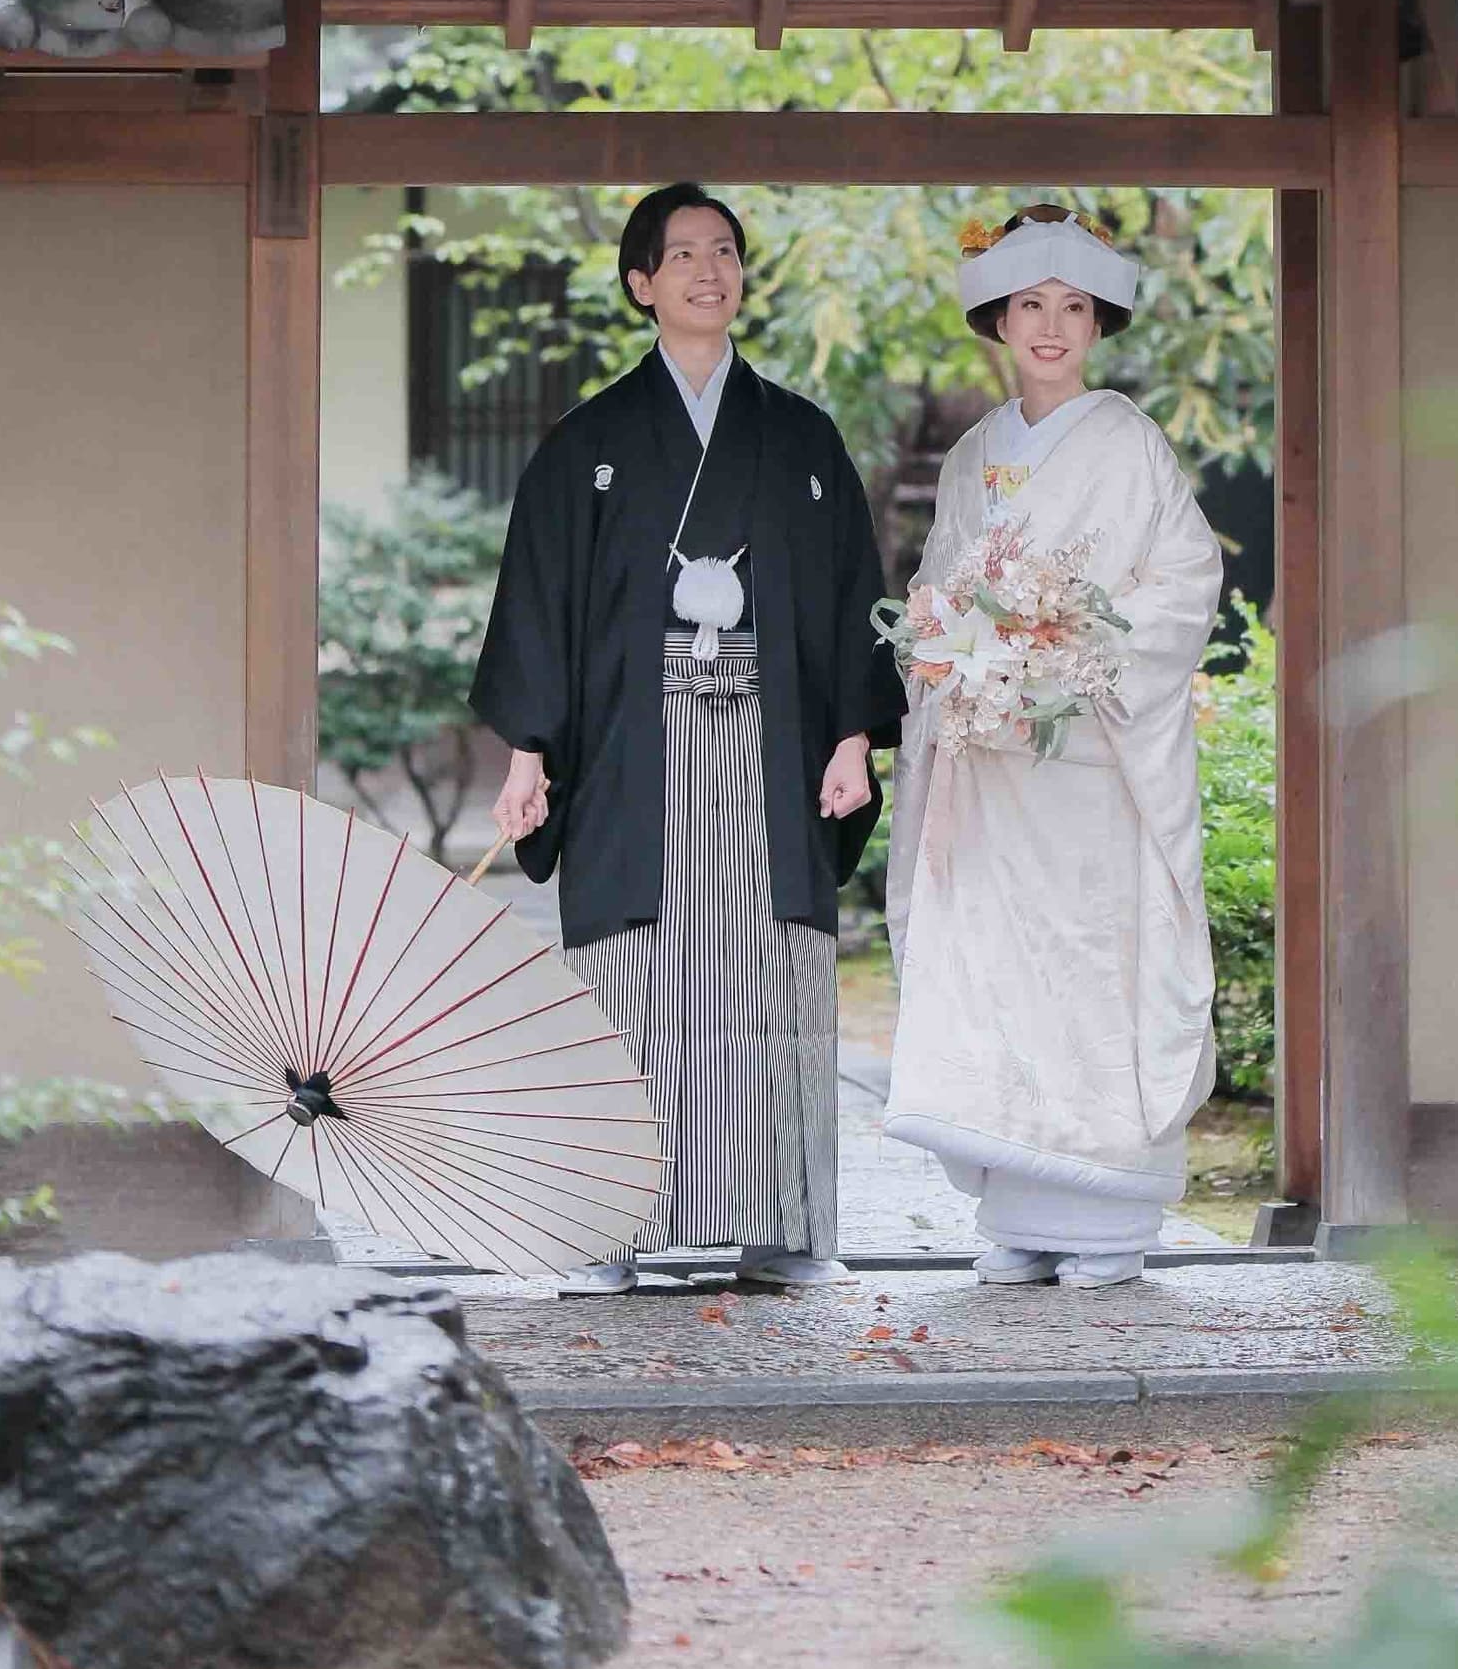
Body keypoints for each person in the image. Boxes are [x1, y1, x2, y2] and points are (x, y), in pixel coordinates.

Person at [471, 183, 899, 1291]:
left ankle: (783, 1232)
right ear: (639, 285)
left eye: (725, 252)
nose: (708, 271)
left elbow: (856, 592)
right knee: (629, 976)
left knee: (773, 976)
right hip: (630, 751)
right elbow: (540, 603)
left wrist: (852, 736)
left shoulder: (799, 435)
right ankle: (606, 1227)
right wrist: (529, 753)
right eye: (681, 255)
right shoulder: (590, 442)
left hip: (775, 742)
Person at [884, 203, 1227, 1286]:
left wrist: (1069, 656)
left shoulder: (1125, 441)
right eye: (1029, 305)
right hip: (989, 764)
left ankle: (1108, 1223)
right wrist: (956, 659)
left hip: (1087, 762)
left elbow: (1182, 587)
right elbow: (935, 588)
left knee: (1083, 964)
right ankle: (1022, 1220)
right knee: (997, 970)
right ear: (997, 319)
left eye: (1073, 308)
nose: (1050, 327)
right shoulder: (975, 452)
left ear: (1096, 325)